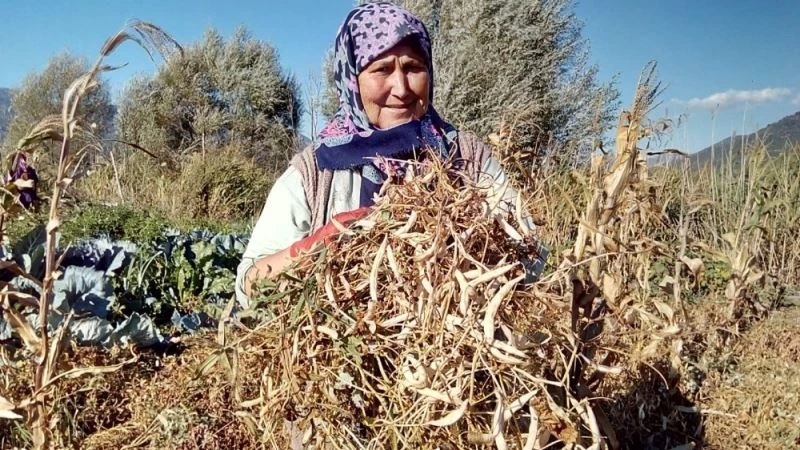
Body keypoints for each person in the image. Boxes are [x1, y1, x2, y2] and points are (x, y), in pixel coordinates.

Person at [236, 2, 541, 308]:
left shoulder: (465, 156)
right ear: (352, 79)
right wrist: (317, 245)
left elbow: (532, 256)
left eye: (413, 68)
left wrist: (467, 252)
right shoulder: (315, 171)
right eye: (381, 69)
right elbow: (249, 284)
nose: (402, 88)